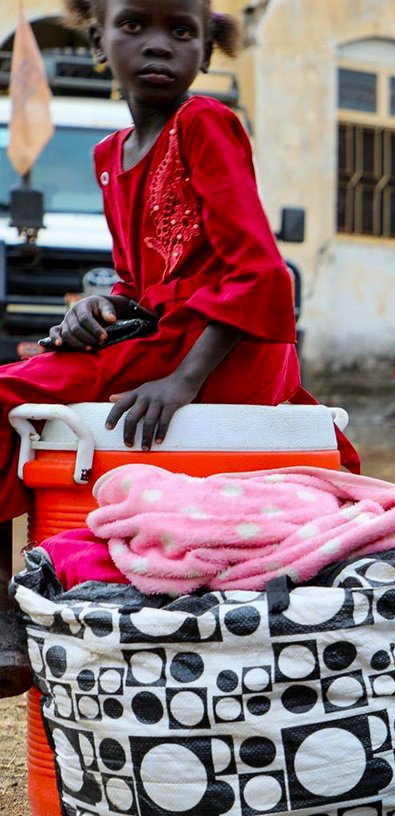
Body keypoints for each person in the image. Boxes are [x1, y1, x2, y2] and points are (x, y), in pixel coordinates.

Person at [0, 0, 356, 696]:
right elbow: (142, 278)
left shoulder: (206, 123)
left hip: (222, 349)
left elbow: (257, 270)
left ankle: (3, 621)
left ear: (206, 54)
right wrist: (97, 310)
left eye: (181, 32)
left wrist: (184, 382)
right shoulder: (111, 156)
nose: (158, 45)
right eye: (134, 26)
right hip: (164, 336)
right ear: (99, 40)